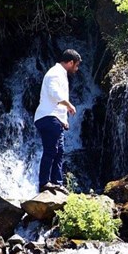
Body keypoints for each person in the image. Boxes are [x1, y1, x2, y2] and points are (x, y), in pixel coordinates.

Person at [34, 49, 81, 193]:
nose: (77, 69)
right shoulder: (55, 73)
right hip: (47, 117)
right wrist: (69, 105)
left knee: (59, 151)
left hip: (54, 118)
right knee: (51, 150)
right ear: (70, 62)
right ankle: (44, 183)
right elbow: (54, 93)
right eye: (76, 65)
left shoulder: (60, 73)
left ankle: (57, 183)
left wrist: (64, 120)